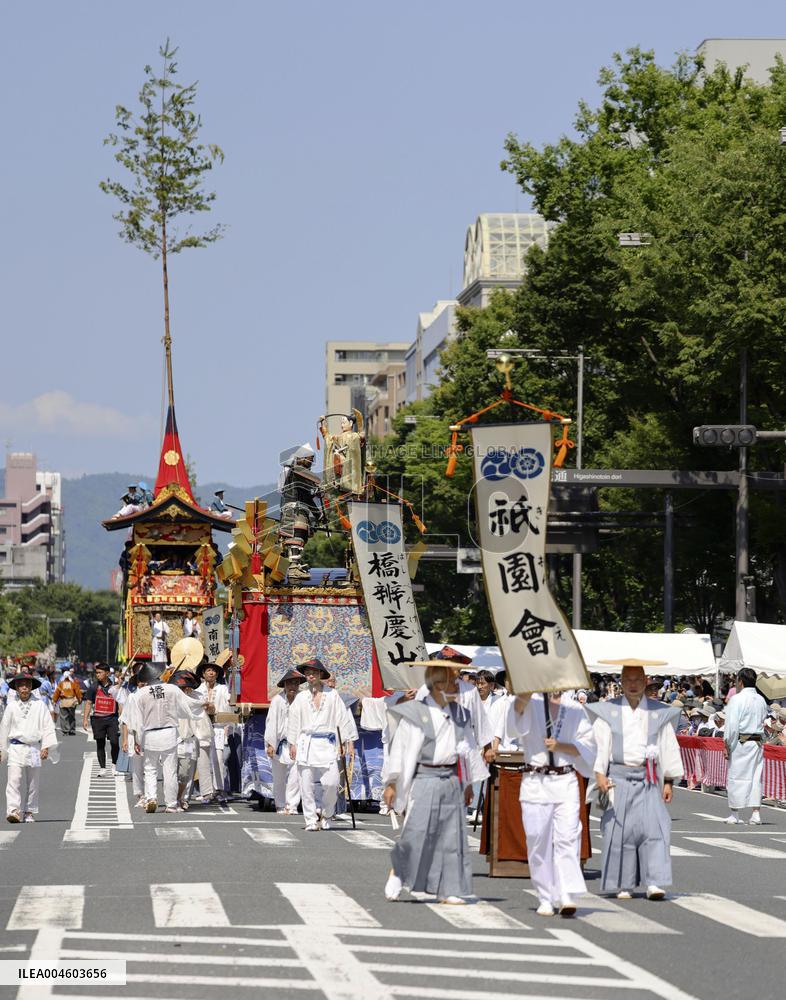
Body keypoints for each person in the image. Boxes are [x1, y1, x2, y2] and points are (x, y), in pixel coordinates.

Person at [383, 661, 486, 904]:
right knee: (417, 831)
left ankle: (450, 888)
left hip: (451, 777)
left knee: (451, 835)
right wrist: (392, 782)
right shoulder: (416, 712)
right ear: (438, 685)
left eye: (457, 681)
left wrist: (469, 782)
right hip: (424, 777)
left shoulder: (461, 714)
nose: (457, 686)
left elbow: (468, 749)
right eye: (452, 681)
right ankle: (398, 872)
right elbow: (400, 748)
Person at [585, 659, 683, 901]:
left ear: (645, 681)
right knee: (620, 832)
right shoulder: (607, 711)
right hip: (618, 777)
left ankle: (655, 882)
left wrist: (668, 780)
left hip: (649, 776)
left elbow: (668, 746)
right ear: (620, 681)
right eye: (627, 679)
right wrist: (599, 774)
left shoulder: (658, 712)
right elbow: (600, 746)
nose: (632, 684)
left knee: (655, 829)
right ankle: (623, 883)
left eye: (638, 679)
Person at [506, 691, 597, 916]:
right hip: (536, 780)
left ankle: (566, 893)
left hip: (565, 780)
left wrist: (561, 746)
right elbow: (513, 727)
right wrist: (523, 695)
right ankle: (545, 895)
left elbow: (588, 746)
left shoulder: (575, 708)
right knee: (537, 840)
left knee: (568, 836)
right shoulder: (530, 700)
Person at [286, 658, 355, 831]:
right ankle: (310, 819)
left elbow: (341, 719)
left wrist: (343, 742)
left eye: (314, 672)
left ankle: (327, 813)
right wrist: (292, 743)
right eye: (308, 673)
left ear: (320, 675)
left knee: (331, 782)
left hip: (327, 742)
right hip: (306, 743)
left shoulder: (332, 695)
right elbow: (293, 721)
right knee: (306, 784)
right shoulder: (301, 697)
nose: (310, 676)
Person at [130, 663, 201, 814]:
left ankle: (151, 798)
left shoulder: (140, 694)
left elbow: (136, 720)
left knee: (150, 769)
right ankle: (171, 804)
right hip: (169, 733)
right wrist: (202, 704)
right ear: (159, 675)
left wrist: (137, 739)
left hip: (150, 734)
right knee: (170, 771)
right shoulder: (172, 689)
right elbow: (188, 704)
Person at [0, 672, 58, 823]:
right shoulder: (11, 706)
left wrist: (45, 746)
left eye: (27, 685)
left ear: (31, 687)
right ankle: (13, 810)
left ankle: (29, 811)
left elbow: (47, 726)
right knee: (14, 780)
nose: (24, 688)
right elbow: (4, 728)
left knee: (33, 782)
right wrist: (2, 749)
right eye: (21, 685)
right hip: (15, 748)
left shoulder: (40, 705)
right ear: (17, 688)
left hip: (34, 747)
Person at [724, 668, 768, 825]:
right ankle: (756, 813)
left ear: (740, 682)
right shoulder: (761, 700)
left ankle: (735, 813)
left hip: (741, 741)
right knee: (755, 777)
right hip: (757, 741)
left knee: (737, 776)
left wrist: (727, 744)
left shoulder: (737, 699)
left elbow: (732, 726)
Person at [265, 668, 305, 814]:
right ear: (285, 685)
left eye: (295, 683)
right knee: (279, 776)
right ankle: (280, 804)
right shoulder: (277, 700)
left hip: (298, 743)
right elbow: (271, 723)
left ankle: (292, 805)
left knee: (296, 775)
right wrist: (271, 744)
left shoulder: (303, 699)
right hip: (280, 743)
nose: (292, 686)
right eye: (290, 683)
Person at [195, 662, 231, 803]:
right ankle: (206, 791)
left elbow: (229, 701)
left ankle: (219, 789)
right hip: (202, 727)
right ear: (203, 674)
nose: (211, 673)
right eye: (208, 670)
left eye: (213, 671)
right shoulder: (198, 690)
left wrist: (229, 724)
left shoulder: (223, 688)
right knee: (203, 760)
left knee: (219, 759)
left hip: (219, 727)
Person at [82, 662, 120, 777]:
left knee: (114, 742)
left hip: (112, 719)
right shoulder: (93, 687)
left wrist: (122, 716)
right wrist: (85, 719)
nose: (97, 675)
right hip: (98, 719)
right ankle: (102, 768)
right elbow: (88, 703)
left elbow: (120, 701)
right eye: (96, 672)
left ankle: (114, 764)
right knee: (100, 743)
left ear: (107, 673)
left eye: (100, 672)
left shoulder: (115, 686)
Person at [52, 670, 83, 735]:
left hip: (63, 702)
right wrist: (79, 700)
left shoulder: (61, 684)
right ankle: (72, 730)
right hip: (71, 702)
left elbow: (57, 693)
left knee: (63, 717)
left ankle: (65, 730)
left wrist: (54, 701)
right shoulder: (73, 683)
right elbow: (78, 692)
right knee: (72, 716)